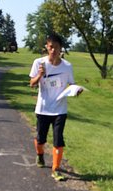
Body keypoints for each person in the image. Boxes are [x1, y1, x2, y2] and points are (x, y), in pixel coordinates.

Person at [29, 33, 78, 181]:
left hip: (60, 109)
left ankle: (55, 169)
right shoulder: (39, 63)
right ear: (46, 47)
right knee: (40, 139)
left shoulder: (67, 66)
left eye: (56, 48)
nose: (53, 51)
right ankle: (40, 155)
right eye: (51, 47)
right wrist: (39, 75)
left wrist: (76, 90)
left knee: (58, 139)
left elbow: (71, 84)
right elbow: (32, 84)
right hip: (43, 108)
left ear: (60, 48)